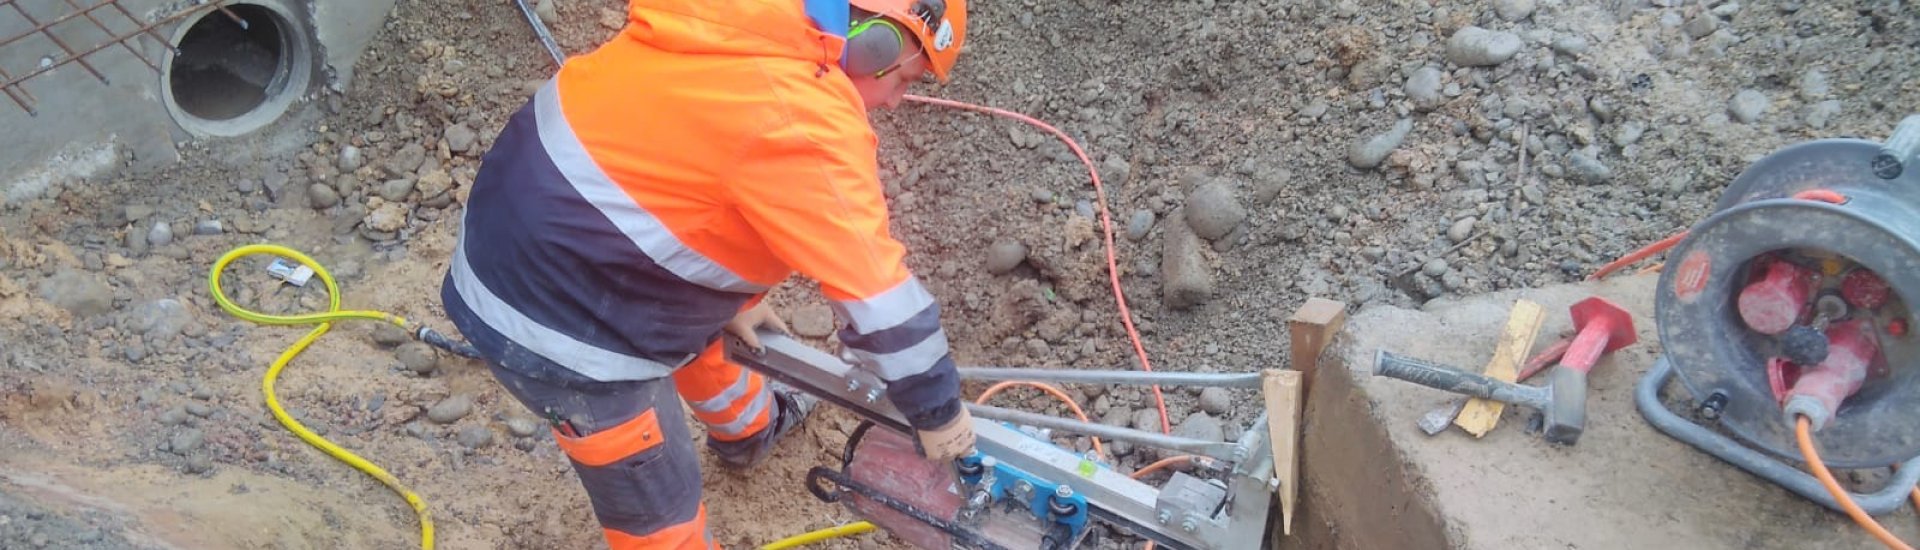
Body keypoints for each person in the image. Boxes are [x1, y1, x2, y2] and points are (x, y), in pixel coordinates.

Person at [437, 0, 973, 548]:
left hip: (524, 233)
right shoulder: (802, 114)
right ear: (875, 46)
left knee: (714, 333)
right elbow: (884, 305)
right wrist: (939, 414)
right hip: (553, 321)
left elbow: (682, 169)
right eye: (904, 81)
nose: (895, 101)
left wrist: (730, 298)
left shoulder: (730, 19)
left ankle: (749, 431)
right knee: (656, 504)